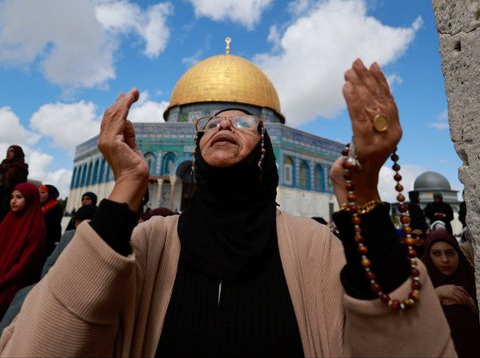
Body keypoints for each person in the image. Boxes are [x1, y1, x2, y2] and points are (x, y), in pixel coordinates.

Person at [0, 59, 455, 357]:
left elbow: (401, 341)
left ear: (269, 149)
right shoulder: (147, 245)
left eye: (241, 121)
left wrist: (365, 200)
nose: (222, 125)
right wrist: (125, 189)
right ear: (194, 147)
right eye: (210, 122)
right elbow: (45, 344)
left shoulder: (316, 251)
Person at [0, 204, 97, 333]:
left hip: (74, 294)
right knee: (23, 295)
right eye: (76, 223)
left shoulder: (97, 245)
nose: (78, 227)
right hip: (51, 283)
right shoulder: (69, 236)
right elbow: (50, 262)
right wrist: (49, 284)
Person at [422, 230, 480, 357]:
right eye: (436, 254)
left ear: (458, 253)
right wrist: (435, 295)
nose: (444, 260)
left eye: (450, 253)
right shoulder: (420, 284)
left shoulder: (472, 278)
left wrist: (471, 304)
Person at [0, 183, 46, 320]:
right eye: (12, 197)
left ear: (30, 199)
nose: (13, 201)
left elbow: (24, 264)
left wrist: (2, 280)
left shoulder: (36, 227)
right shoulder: (9, 220)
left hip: (13, 286)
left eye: (19, 197)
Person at [0, 146, 28, 222]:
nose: (9, 153)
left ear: (17, 153)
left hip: (8, 200)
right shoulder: (3, 165)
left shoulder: (21, 168)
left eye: (12, 151)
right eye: (8, 151)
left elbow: (19, 187)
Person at [39, 184, 64, 257]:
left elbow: (52, 226)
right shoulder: (40, 206)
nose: (39, 194)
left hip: (49, 242)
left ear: (50, 194)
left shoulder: (56, 207)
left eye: (43, 192)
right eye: (39, 192)